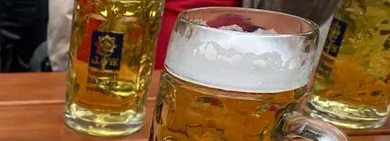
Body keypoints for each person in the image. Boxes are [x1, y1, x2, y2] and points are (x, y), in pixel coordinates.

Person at [48, 0, 340, 72]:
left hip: (231, 70)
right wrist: (65, 66)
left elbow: (301, 20)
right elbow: (72, 15)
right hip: (120, 73)